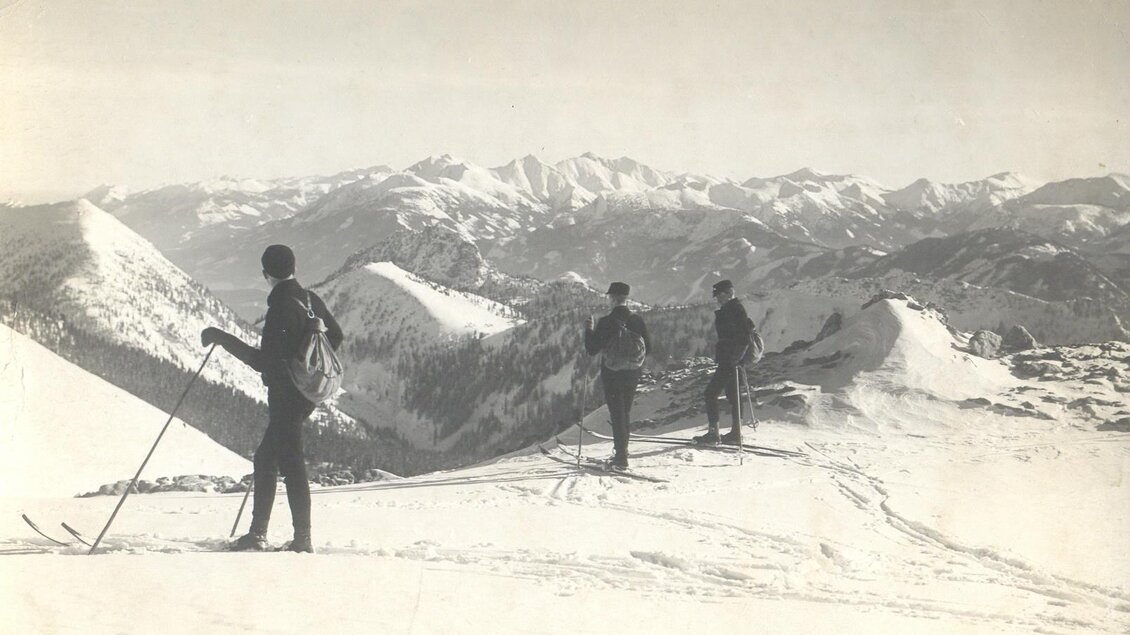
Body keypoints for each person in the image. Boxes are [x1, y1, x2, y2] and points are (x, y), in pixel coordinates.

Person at [200, 244, 343, 553]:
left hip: (286, 396)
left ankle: (297, 540)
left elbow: (264, 361)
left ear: (265, 274)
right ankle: (261, 534)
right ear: (293, 267)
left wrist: (222, 338)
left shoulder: (280, 308)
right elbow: (337, 336)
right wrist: (307, 357)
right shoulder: (309, 299)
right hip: (306, 395)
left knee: (289, 461)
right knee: (267, 456)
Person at [583, 282, 650, 469]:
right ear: (626, 298)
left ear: (612, 298)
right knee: (625, 412)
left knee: (616, 413)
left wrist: (588, 330)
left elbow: (591, 349)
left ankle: (620, 458)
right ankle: (623, 451)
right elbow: (649, 348)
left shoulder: (606, 322)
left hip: (612, 373)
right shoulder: (637, 321)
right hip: (633, 373)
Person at [695, 279, 752, 445]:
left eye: (719, 295)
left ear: (729, 293)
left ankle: (714, 434)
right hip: (732, 360)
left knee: (710, 393)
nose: (717, 299)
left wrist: (734, 359)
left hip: (730, 361)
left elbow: (744, 338)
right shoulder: (733, 309)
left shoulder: (735, 310)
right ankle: (736, 433)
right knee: (733, 395)